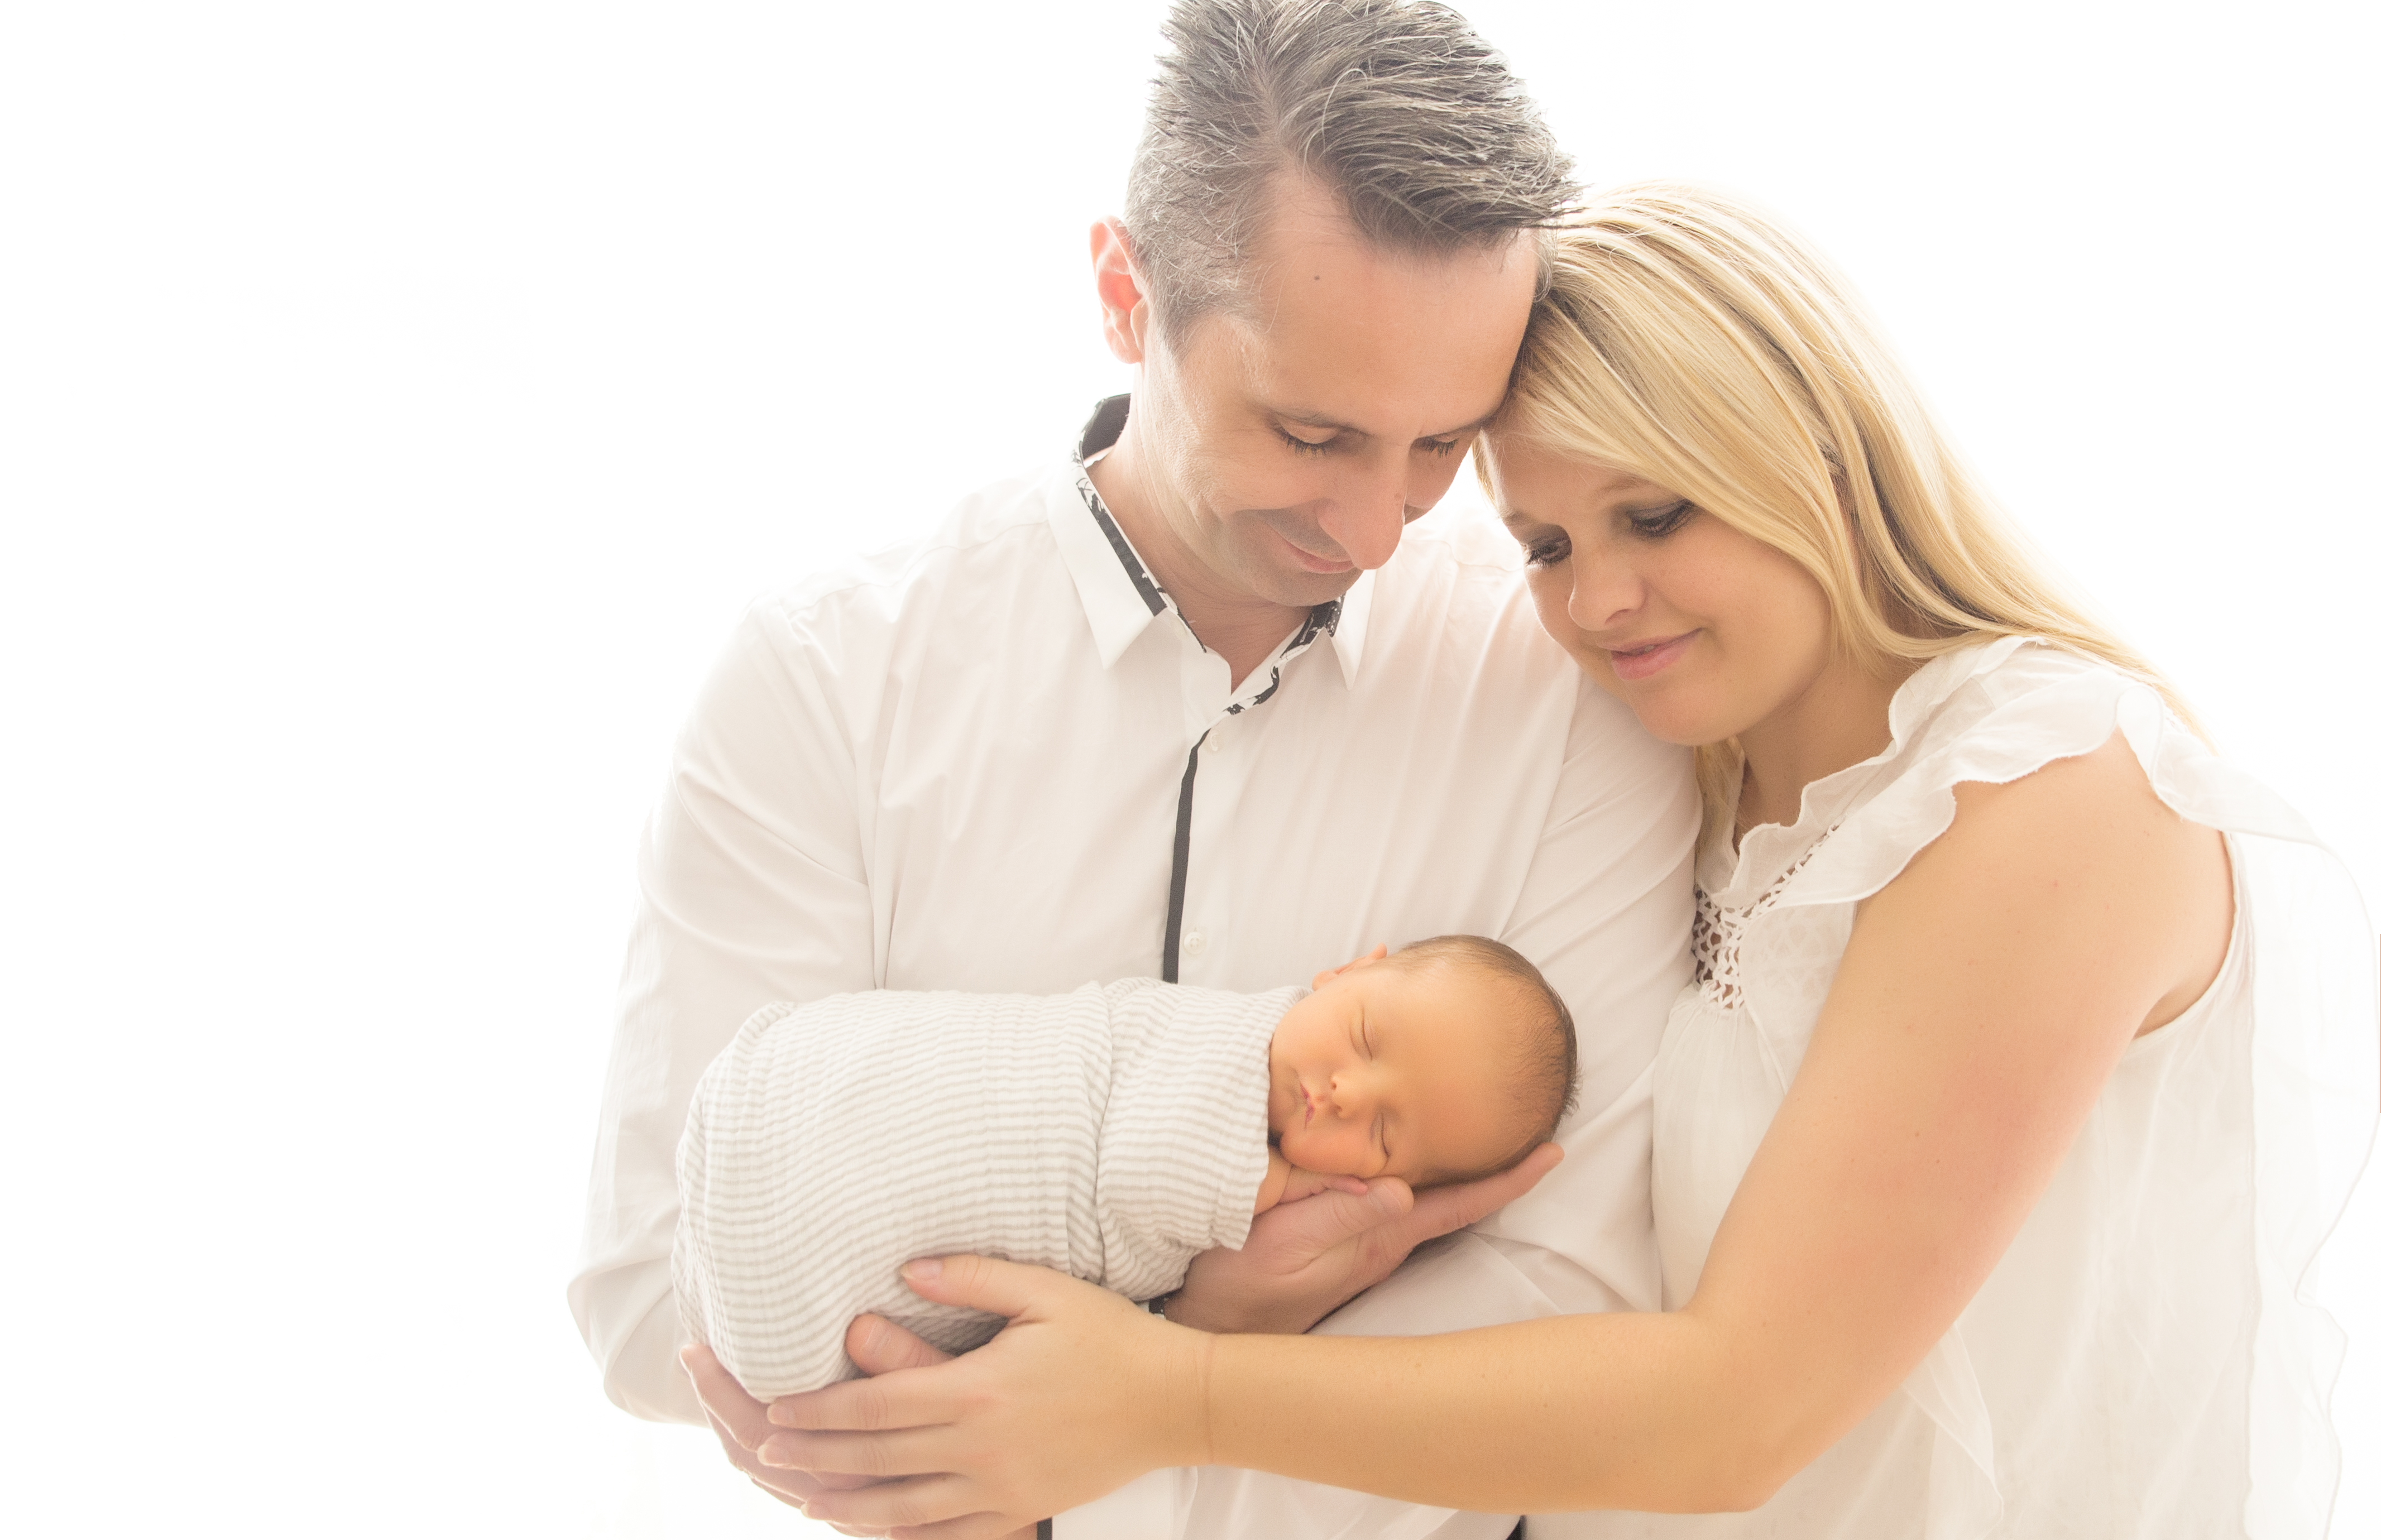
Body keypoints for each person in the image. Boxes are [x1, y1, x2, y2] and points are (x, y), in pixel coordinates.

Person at [739, 183, 2380, 1539]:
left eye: (1655, 517)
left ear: (1812, 453)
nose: (1596, 604)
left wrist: (1161, 1395)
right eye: (1543, 543)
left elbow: (1736, 1409)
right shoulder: (1700, 797)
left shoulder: (2046, 787)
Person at [570, 3, 1699, 1537]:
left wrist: (1146, 1388)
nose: (1377, 531)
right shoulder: (823, 682)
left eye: (1441, 447)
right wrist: (1183, 1343)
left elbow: (1576, 1292)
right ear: (1124, 293)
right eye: (1311, 432)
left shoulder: (1562, 690)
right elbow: (656, 1303)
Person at [677, 936, 1577, 1400]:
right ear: (1344, 971)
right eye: (1367, 1037)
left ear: (1385, 1191)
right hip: (794, 1102)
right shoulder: (1217, 1040)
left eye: (1382, 1135)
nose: (1344, 1091)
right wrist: (1265, 1185)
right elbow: (1140, 1169)